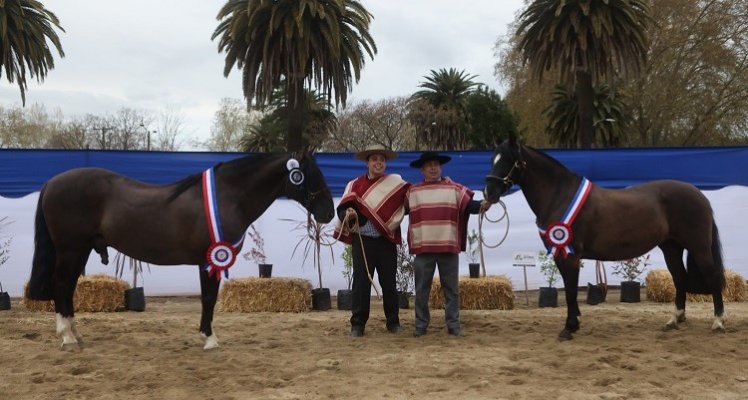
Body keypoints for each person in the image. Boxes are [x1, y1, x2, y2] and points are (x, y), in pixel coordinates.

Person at [406, 151, 489, 337]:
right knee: (421, 290)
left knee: (452, 289)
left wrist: (485, 204)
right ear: (422, 169)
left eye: (436, 164)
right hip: (423, 248)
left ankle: (453, 324)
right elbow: (397, 210)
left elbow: (471, 207)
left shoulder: (454, 189)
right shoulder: (412, 191)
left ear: (440, 167)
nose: (433, 168)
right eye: (429, 165)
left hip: (447, 246)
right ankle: (421, 325)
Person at [334, 144, 410, 337]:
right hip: (363, 240)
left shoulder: (396, 184)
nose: (378, 163)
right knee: (361, 283)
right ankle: (357, 324)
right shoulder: (355, 185)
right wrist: (348, 214)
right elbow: (342, 209)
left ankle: (393, 322)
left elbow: (410, 202)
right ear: (367, 162)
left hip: (386, 240)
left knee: (389, 283)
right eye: (374, 159)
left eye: (382, 159)